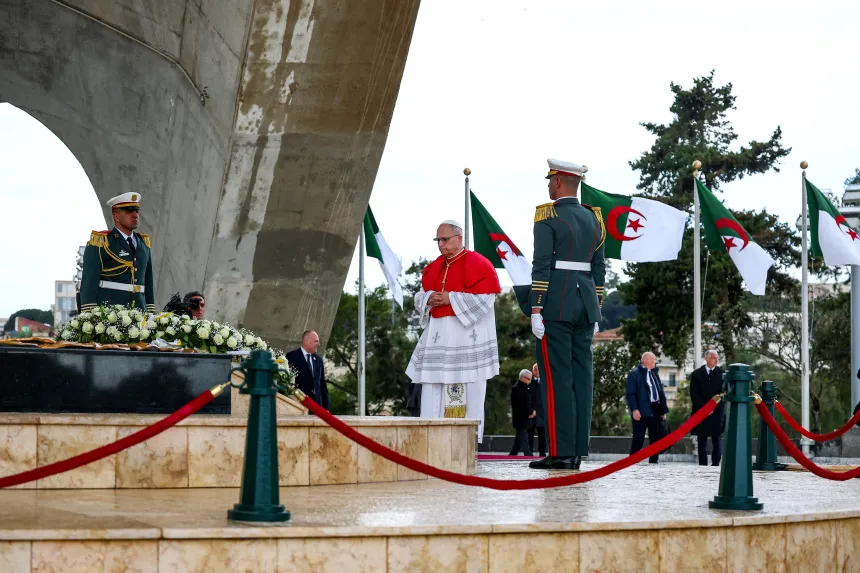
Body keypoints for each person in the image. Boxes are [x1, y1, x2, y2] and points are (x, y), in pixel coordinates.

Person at [529, 159, 606, 471]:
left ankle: (560, 452)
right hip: (586, 304)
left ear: (559, 182)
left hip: (556, 306)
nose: (548, 186)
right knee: (581, 379)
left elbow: (542, 264)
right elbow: (599, 268)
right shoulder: (594, 219)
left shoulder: (548, 216)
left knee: (556, 378)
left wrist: (536, 309)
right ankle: (576, 451)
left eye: (550, 181)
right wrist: (596, 306)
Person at [406, 220, 501, 443]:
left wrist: (452, 298)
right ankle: (431, 437)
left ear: (459, 239)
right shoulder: (433, 267)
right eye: (437, 240)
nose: (440, 244)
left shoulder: (480, 264)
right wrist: (429, 298)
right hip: (439, 338)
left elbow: (487, 298)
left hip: (466, 337)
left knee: (470, 385)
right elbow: (419, 296)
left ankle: (465, 440)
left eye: (444, 239)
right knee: (433, 384)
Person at [80, 192, 155, 314]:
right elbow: (89, 284)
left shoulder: (144, 244)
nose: (135, 215)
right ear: (116, 216)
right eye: (129, 211)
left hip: (139, 314)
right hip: (110, 316)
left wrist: (150, 312)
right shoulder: (102, 242)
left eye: (137, 210)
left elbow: (148, 283)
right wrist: (90, 317)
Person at [627, 352, 669, 464]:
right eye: (654, 360)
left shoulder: (654, 373)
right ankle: (631, 462)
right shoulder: (634, 374)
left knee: (655, 439)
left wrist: (663, 410)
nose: (655, 362)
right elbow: (631, 394)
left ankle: (654, 462)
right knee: (638, 439)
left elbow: (660, 392)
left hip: (655, 410)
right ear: (647, 360)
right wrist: (635, 409)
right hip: (641, 411)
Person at [690, 349, 726, 466]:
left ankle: (716, 464)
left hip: (716, 412)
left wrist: (714, 407)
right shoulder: (697, 374)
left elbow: (724, 392)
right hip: (701, 412)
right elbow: (694, 394)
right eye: (713, 358)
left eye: (717, 358)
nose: (716, 360)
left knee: (717, 438)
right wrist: (705, 408)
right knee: (702, 439)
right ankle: (703, 464)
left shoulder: (722, 374)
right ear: (706, 359)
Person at [286, 330, 330, 411]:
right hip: (299, 406)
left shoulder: (318, 360)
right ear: (308, 341)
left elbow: (322, 385)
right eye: (316, 341)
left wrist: (326, 408)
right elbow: (288, 384)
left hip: (317, 407)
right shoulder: (291, 357)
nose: (318, 344)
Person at [509, 369, 536, 456]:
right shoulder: (517, 388)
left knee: (519, 438)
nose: (530, 381)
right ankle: (528, 455)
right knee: (524, 438)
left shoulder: (524, 388)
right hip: (521, 419)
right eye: (529, 379)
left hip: (524, 418)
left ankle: (513, 454)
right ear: (523, 378)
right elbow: (521, 405)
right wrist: (530, 412)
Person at [528, 363, 547, 457]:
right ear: (532, 371)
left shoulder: (545, 382)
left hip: (542, 414)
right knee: (529, 435)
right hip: (531, 414)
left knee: (542, 435)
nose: (537, 371)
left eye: (539, 369)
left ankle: (542, 454)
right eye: (535, 369)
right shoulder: (528, 382)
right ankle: (529, 455)